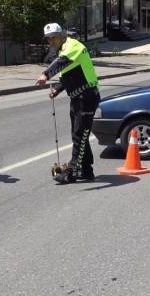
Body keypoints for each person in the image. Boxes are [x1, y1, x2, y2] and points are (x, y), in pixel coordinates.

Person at [35, 23, 100, 184]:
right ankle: (86, 170)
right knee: (78, 134)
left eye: (54, 37)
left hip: (87, 97)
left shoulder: (73, 45)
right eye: (49, 39)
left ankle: (72, 172)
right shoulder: (63, 49)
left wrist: (46, 74)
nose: (52, 41)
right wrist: (57, 89)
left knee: (80, 134)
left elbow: (62, 62)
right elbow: (67, 75)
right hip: (78, 98)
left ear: (62, 35)